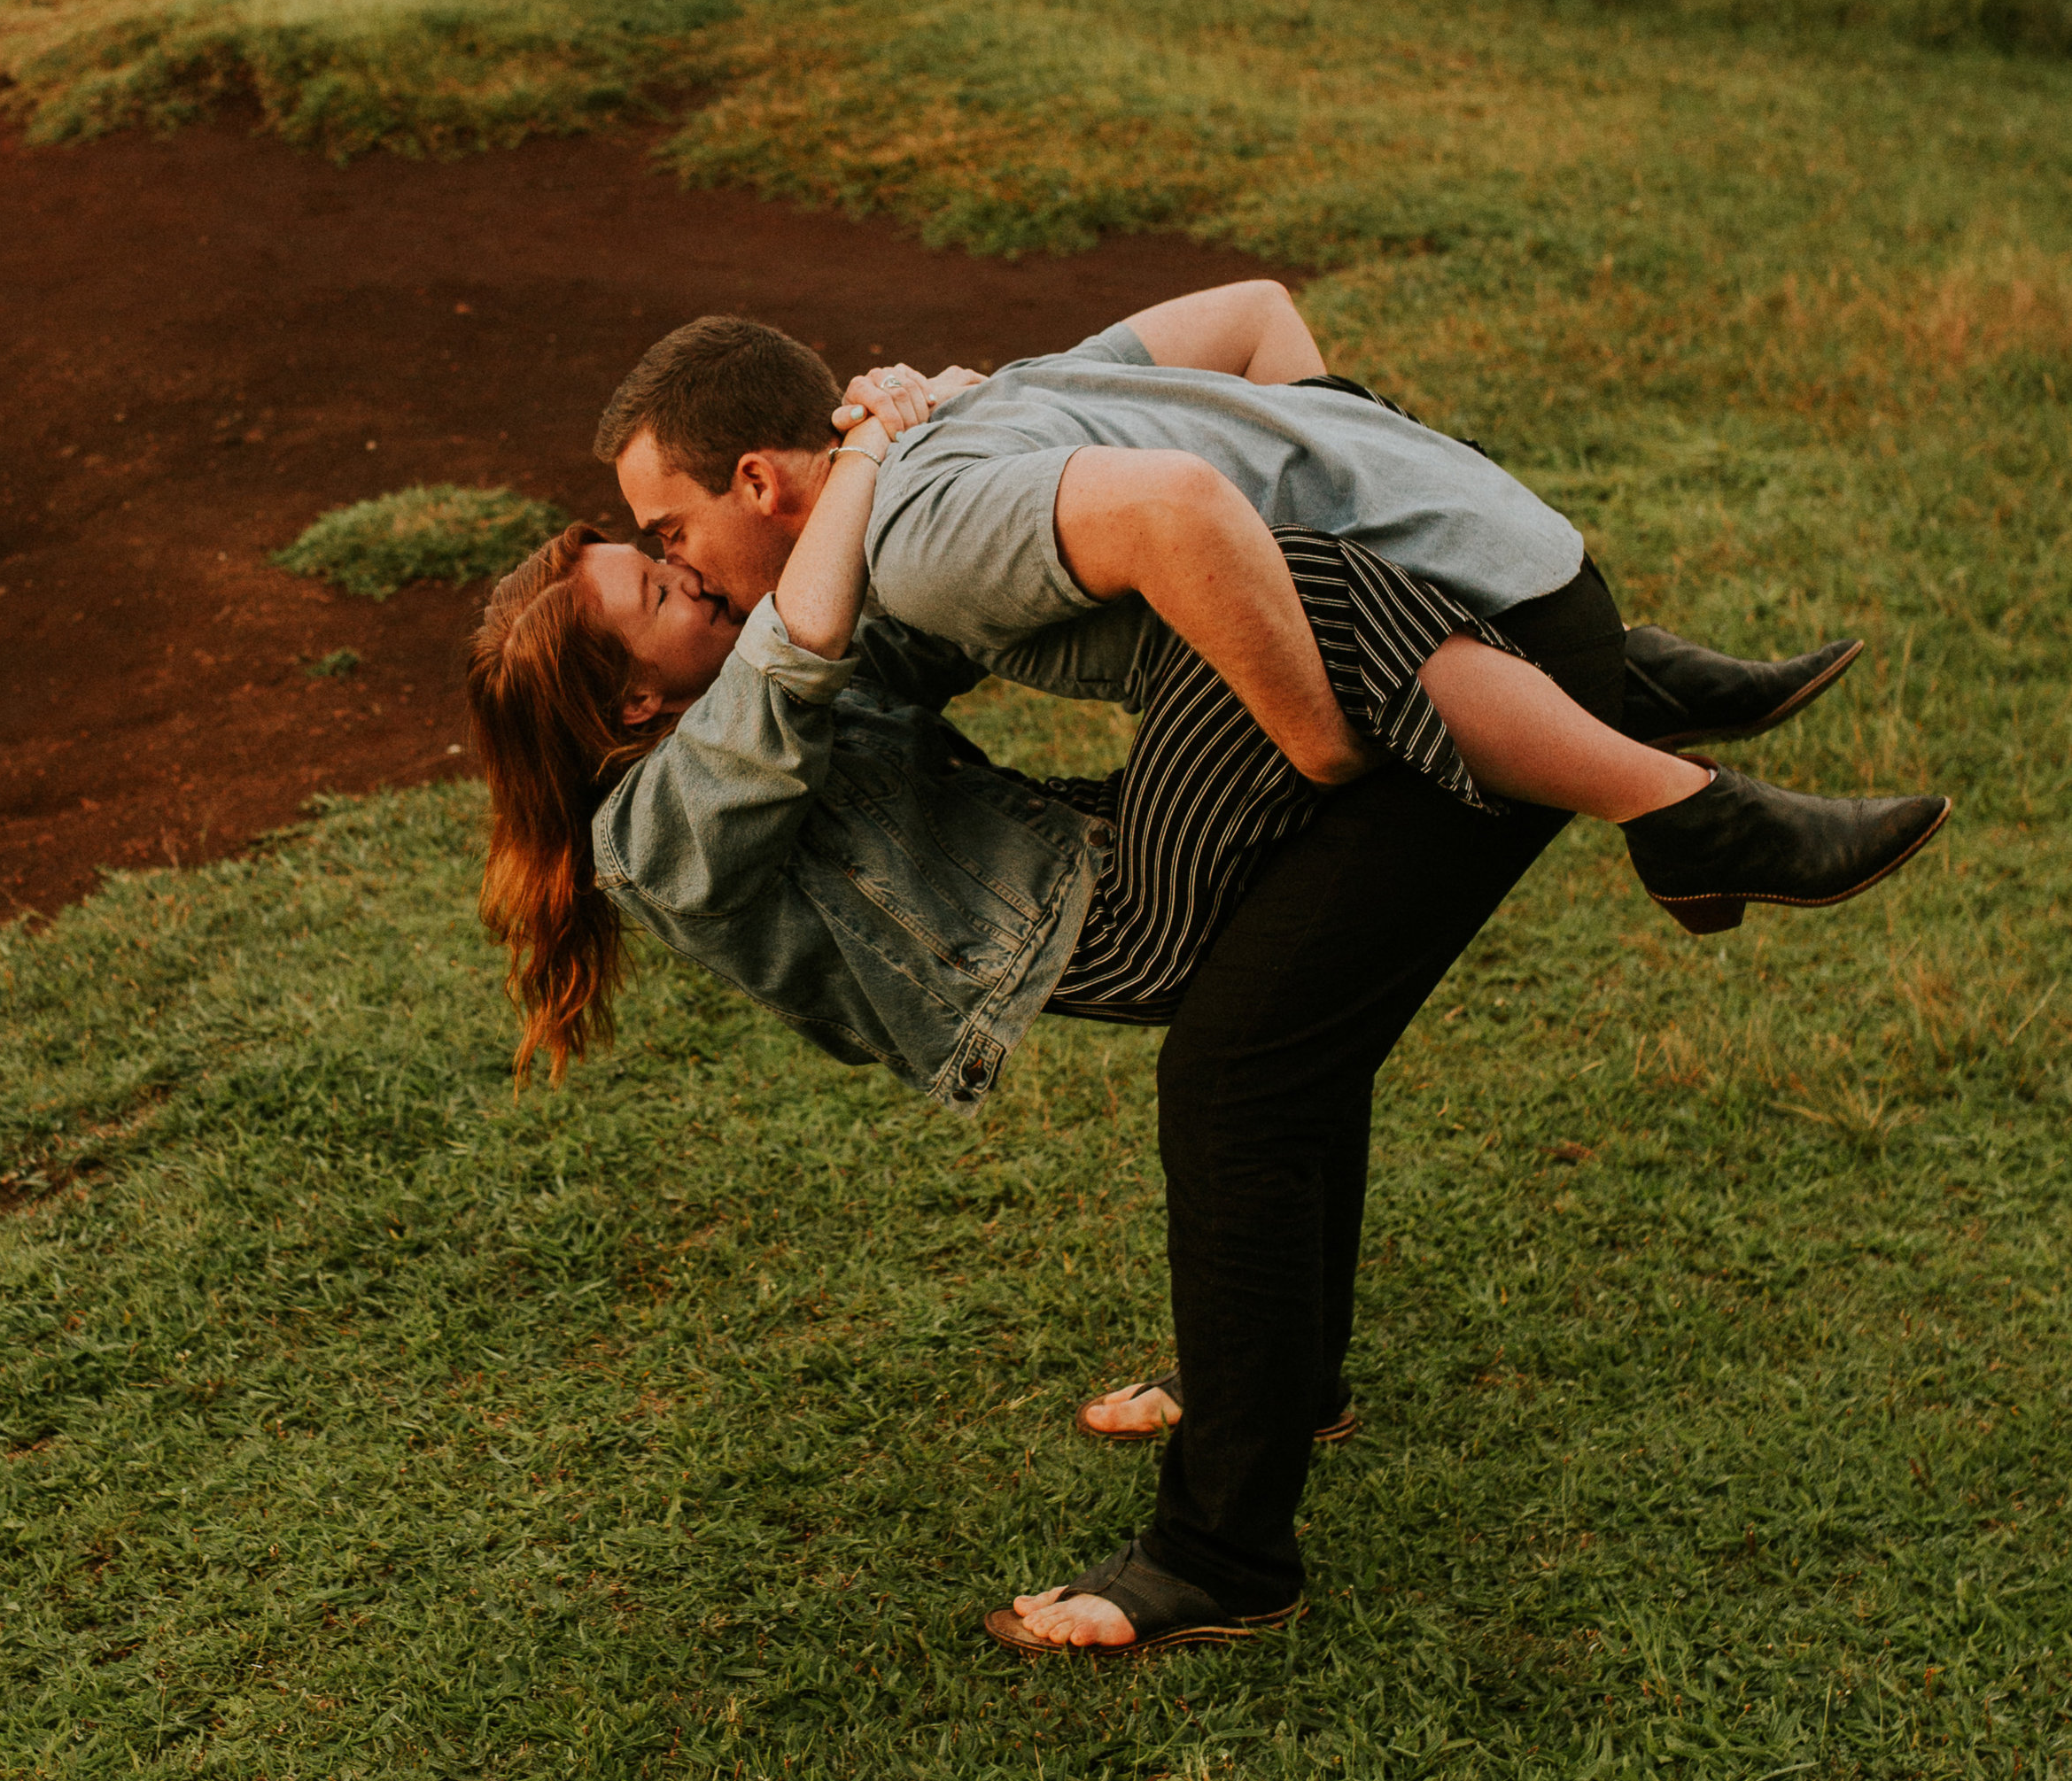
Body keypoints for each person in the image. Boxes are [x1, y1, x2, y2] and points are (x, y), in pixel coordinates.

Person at [475, 288, 1947, 1654]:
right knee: (1247, 1026)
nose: (687, 572)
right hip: (1077, 920)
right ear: (629, 698)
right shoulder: (659, 830)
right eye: (659, 585)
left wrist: (919, 415)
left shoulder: (781, 622)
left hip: (1098, 858)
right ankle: (1655, 757)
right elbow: (796, 656)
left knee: (1286, 660)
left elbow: (880, 617)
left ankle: (1623, 719)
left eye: (667, 541)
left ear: (751, 482)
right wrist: (865, 448)